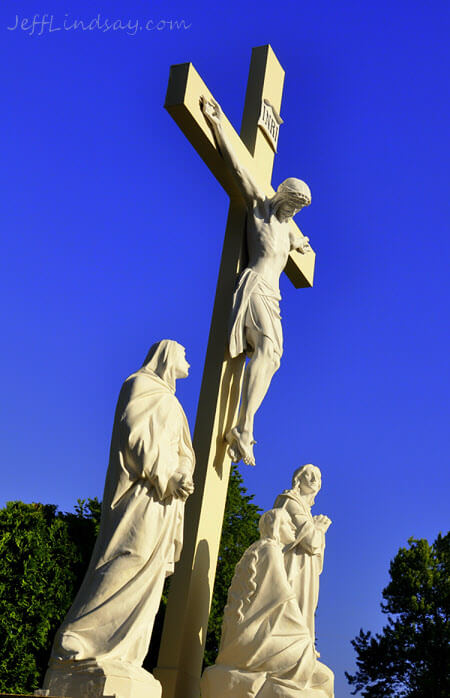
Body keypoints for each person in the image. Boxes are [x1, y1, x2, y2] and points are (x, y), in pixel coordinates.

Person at [42, 340, 195, 696]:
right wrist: (167, 473)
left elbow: (186, 449)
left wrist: (184, 471)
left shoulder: (174, 403)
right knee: (128, 559)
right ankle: (77, 640)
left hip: (166, 502)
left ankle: (124, 653)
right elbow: (134, 434)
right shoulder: (139, 385)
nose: (189, 361)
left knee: (150, 575)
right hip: (141, 494)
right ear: (168, 356)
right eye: (184, 354)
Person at [201, 96, 313, 466]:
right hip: (254, 288)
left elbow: (298, 242)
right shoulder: (261, 210)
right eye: (291, 203)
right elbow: (238, 169)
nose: (292, 211)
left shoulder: (288, 230)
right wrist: (218, 124)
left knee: (274, 359)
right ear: (281, 193)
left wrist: (300, 240)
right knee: (265, 350)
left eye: (297, 208)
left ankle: (244, 425)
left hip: (274, 296)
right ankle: (244, 428)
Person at [201, 507, 334, 698]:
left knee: (322, 675)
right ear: (277, 526)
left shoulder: (260, 549)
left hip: (255, 635)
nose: (292, 528)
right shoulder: (270, 550)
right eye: (288, 524)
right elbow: (281, 596)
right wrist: (302, 633)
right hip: (257, 640)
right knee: (310, 656)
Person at [274, 464, 331, 645]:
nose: (315, 480)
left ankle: (301, 647)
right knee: (293, 608)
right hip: (293, 566)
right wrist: (319, 529)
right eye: (310, 475)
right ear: (298, 479)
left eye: (319, 477)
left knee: (304, 608)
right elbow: (312, 542)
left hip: (306, 569)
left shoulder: (306, 510)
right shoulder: (290, 501)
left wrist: (315, 530)